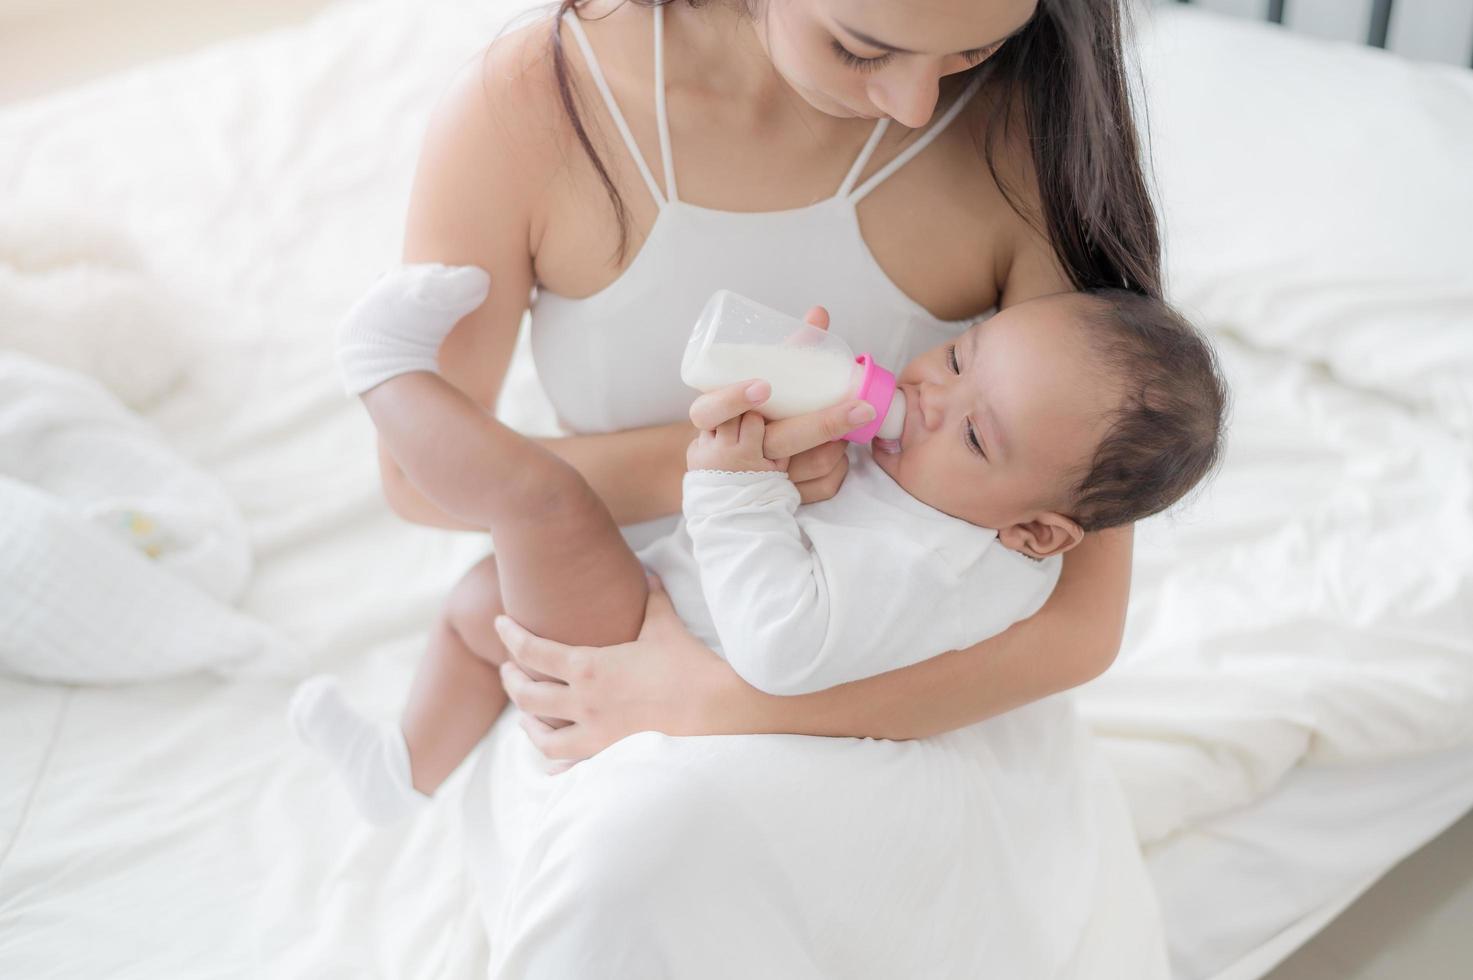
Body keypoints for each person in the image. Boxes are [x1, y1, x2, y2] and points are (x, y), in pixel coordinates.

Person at [353, 0, 1174, 974]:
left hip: (912, 694)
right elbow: (419, 478)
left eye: (971, 48)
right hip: (614, 640)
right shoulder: (535, 106)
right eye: (863, 48)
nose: (917, 104)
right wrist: (728, 463)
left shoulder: (1038, 120)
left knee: (662, 847)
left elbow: (1079, 624)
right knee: (636, 854)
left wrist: (712, 701)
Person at [292, 266, 1225, 826]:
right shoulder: (941, 491)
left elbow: (780, 648)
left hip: (657, 663)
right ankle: (403, 775)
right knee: (473, 605)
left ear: (1031, 530)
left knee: (543, 502)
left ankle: (381, 372)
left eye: (976, 435)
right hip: (658, 620)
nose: (928, 399)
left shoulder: (937, 566)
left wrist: (734, 488)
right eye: (955, 355)